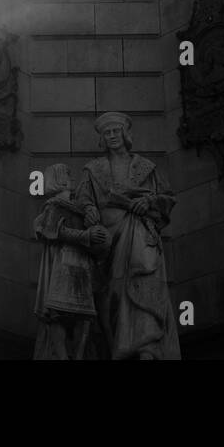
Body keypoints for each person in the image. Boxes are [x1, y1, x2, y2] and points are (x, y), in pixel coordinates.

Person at [75, 113, 181, 360]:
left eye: (116, 131)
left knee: (145, 279)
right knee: (115, 292)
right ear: (102, 138)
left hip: (140, 232)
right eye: (107, 133)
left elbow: (167, 198)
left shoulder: (146, 167)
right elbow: (83, 199)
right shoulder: (93, 169)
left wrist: (148, 201)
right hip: (109, 241)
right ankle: (119, 349)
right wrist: (90, 210)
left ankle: (148, 347)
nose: (112, 136)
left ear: (125, 134)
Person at [33, 164, 107, 360]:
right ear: (58, 179)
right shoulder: (54, 205)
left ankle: (79, 355)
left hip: (83, 264)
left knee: (86, 315)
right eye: (67, 173)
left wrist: (95, 233)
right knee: (58, 312)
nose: (71, 177)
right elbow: (56, 231)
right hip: (64, 261)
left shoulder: (79, 207)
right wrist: (87, 235)